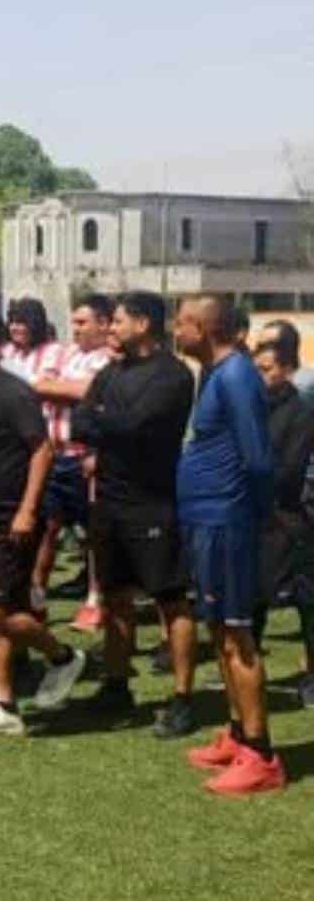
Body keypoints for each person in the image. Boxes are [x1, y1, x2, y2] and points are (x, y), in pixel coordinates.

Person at [0, 317, 87, 737]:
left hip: (12, 521)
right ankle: (4, 706)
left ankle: (62, 657)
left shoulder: (13, 392)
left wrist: (27, 510)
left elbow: (41, 450)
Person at [71, 291, 198, 735]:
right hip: (108, 500)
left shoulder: (173, 375)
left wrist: (108, 420)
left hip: (152, 502)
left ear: (143, 324)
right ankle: (116, 683)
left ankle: (183, 697)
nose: (111, 329)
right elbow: (80, 422)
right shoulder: (110, 371)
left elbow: (137, 425)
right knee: (115, 596)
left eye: (119, 321)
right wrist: (108, 419)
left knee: (170, 599)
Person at [174, 295, 285, 794]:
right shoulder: (213, 374)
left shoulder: (238, 376)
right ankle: (239, 735)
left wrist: (257, 517)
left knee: (238, 633)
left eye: (181, 323)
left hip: (227, 521)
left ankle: (262, 754)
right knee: (218, 629)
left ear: (202, 328)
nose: (175, 331)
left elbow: (258, 459)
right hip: (205, 519)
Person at [30, 295, 115, 632]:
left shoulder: (109, 359)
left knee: (93, 533)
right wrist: (61, 388)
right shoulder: (63, 353)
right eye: (74, 322)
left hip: (85, 457)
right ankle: (36, 596)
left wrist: (58, 387)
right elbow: (38, 383)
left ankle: (96, 598)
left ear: (103, 324)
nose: (75, 329)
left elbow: (88, 392)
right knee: (47, 527)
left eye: (82, 323)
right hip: (54, 453)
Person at [251, 342, 314, 651]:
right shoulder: (252, 408)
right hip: (253, 516)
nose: (258, 377)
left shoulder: (299, 411)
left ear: (287, 370)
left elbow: (290, 470)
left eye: (266, 370)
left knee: (303, 599)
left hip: (286, 518)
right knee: (253, 600)